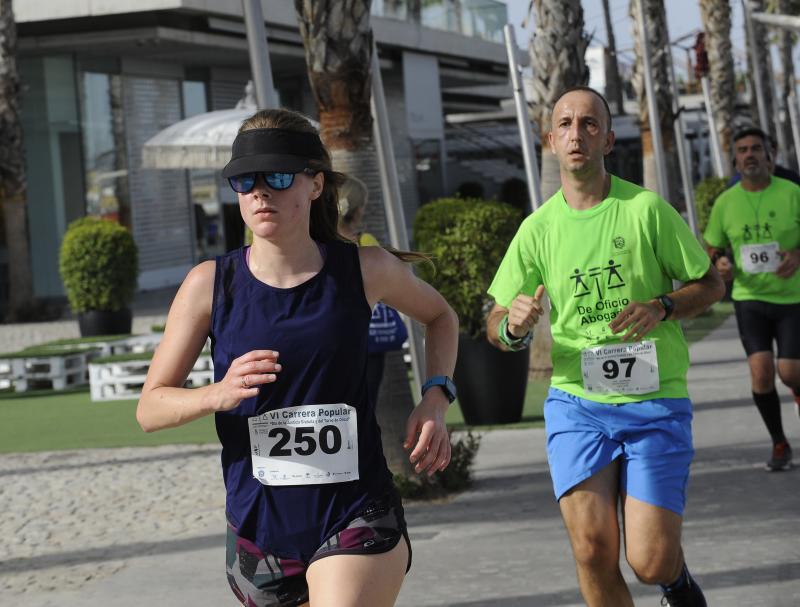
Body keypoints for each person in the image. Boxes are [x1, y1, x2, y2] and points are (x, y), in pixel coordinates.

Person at [136, 108, 459, 607]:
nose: (261, 191)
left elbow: (441, 317)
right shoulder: (208, 284)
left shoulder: (365, 269)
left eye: (279, 175)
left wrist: (436, 396)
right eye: (246, 180)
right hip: (258, 526)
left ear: (314, 185)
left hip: (355, 509)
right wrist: (216, 394)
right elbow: (150, 408)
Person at [485, 86, 724, 607]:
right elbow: (498, 320)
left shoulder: (644, 210)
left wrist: (662, 305)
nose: (577, 133)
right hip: (578, 402)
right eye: (566, 124)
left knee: (650, 561)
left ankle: (676, 584)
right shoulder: (536, 230)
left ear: (608, 139)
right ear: (551, 140)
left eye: (589, 123)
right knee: (592, 549)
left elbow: (710, 285)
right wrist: (514, 325)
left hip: (654, 401)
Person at [704, 126, 800, 471]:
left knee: (790, 373)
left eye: (756, 149)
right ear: (735, 161)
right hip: (749, 298)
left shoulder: (791, 192)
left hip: (793, 299)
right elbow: (711, 246)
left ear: (769, 155)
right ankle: (779, 443)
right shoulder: (725, 203)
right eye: (743, 150)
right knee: (761, 373)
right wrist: (720, 263)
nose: (750, 155)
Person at [337, 175, 408, 408]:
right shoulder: (365, 242)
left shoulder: (315, 244)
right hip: (367, 342)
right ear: (357, 211)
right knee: (366, 406)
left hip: (334, 344)